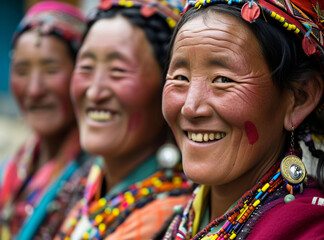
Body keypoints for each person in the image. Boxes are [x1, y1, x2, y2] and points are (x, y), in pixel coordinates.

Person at [158, 0, 324, 239]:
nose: (190, 108)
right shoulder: (179, 219)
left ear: (298, 98)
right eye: (181, 77)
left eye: (223, 79)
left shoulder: (309, 230)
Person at [56, 0, 192, 239]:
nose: (94, 92)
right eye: (86, 67)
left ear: (167, 85)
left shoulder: (171, 215)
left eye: (118, 70)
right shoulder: (83, 187)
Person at [0, 2, 93, 240]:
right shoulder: (10, 170)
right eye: (22, 71)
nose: (34, 89)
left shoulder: (97, 178)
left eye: (51, 70)